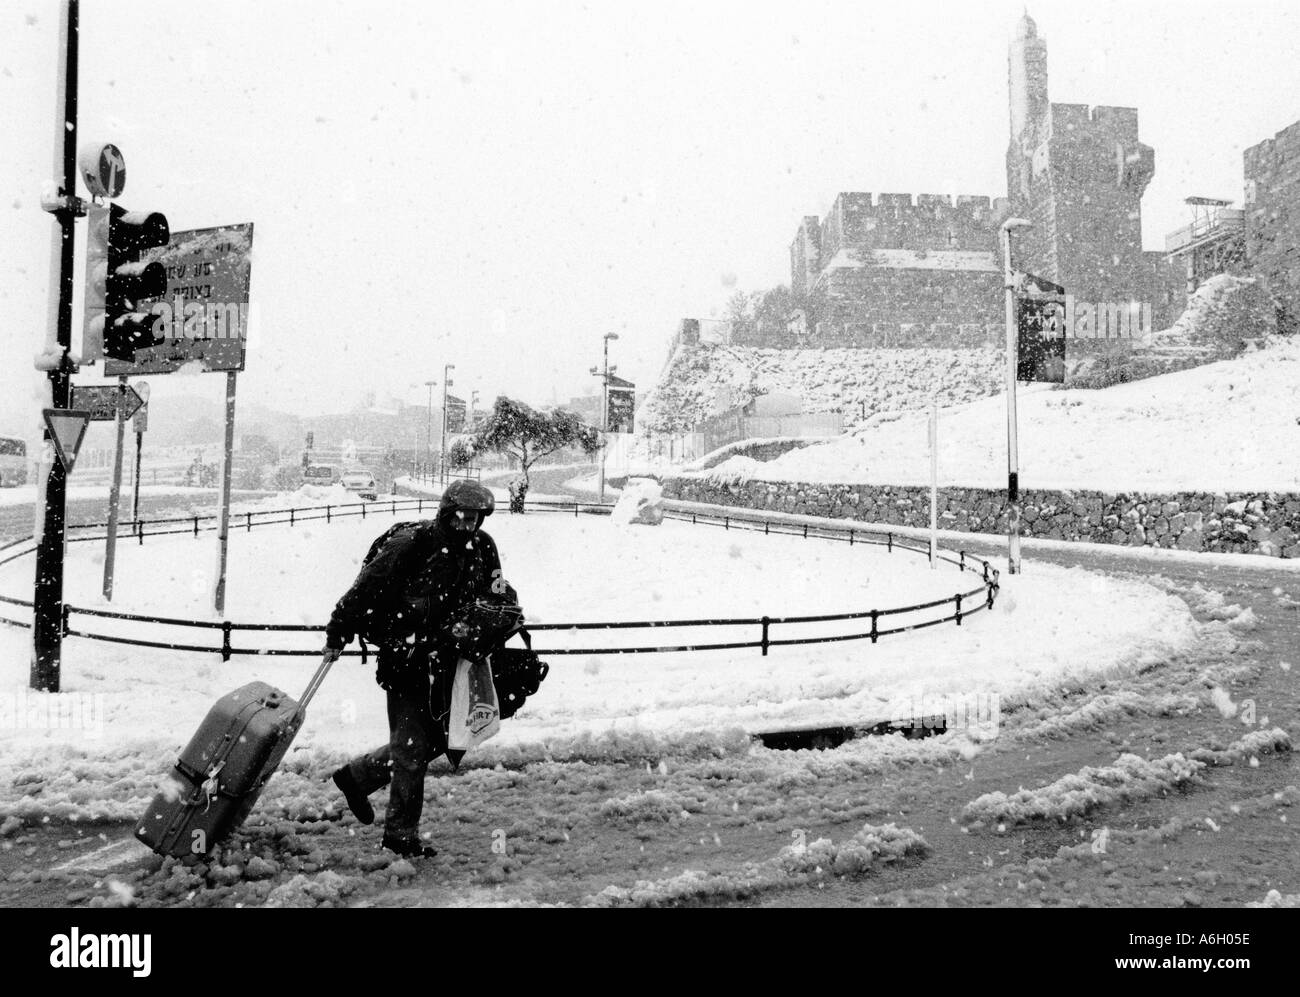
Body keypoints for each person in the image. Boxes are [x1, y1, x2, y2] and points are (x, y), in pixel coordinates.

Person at [321, 479, 509, 858]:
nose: (467, 526)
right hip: (406, 658)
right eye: (460, 517)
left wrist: (500, 612)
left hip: (452, 662)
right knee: (410, 749)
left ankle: (359, 776)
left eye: (474, 519)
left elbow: (497, 589)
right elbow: (364, 590)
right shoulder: (411, 544)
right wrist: (338, 631)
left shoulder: (483, 547)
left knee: (446, 737)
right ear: (445, 513)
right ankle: (400, 836)